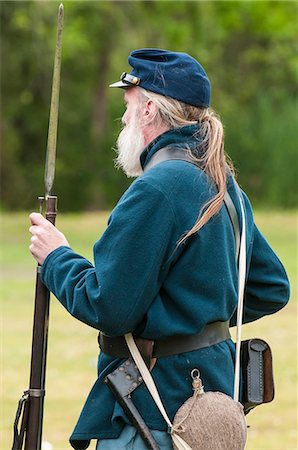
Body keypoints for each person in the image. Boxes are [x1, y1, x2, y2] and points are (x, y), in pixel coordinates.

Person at [29, 49, 290, 450]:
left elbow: (110, 308)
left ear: (150, 109)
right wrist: (195, 318)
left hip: (156, 407)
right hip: (209, 400)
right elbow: (270, 287)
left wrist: (56, 257)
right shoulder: (223, 185)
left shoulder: (156, 189)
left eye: (129, 105)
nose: (125, 116)